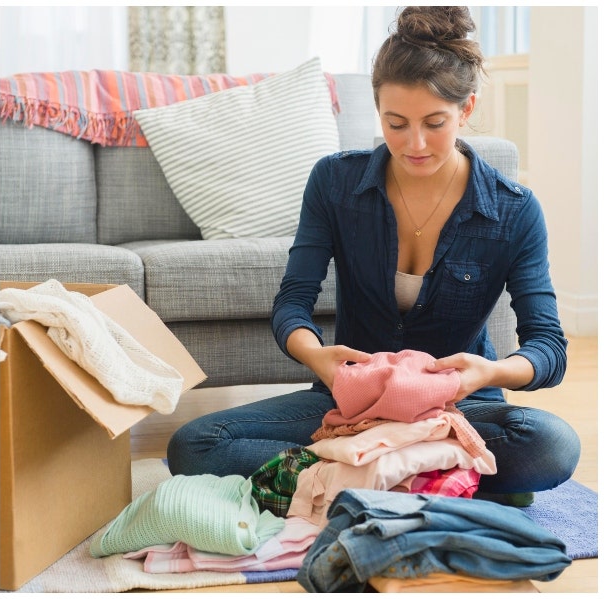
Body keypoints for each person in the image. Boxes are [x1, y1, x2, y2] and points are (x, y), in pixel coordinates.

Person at [166, 6, 579, 504]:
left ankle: (354, 473)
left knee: (552, 446)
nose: (415, 143)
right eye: (396, 122)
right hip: (350, 406)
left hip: (454, 408)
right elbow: (293, 302)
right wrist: (316, 356)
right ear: (376, 108)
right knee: (194, 445)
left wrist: (488, 373)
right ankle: (432, 474)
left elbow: (548, 348)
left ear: (466, 110)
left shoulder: (514, 210)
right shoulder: (335, 183)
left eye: (435, 122)